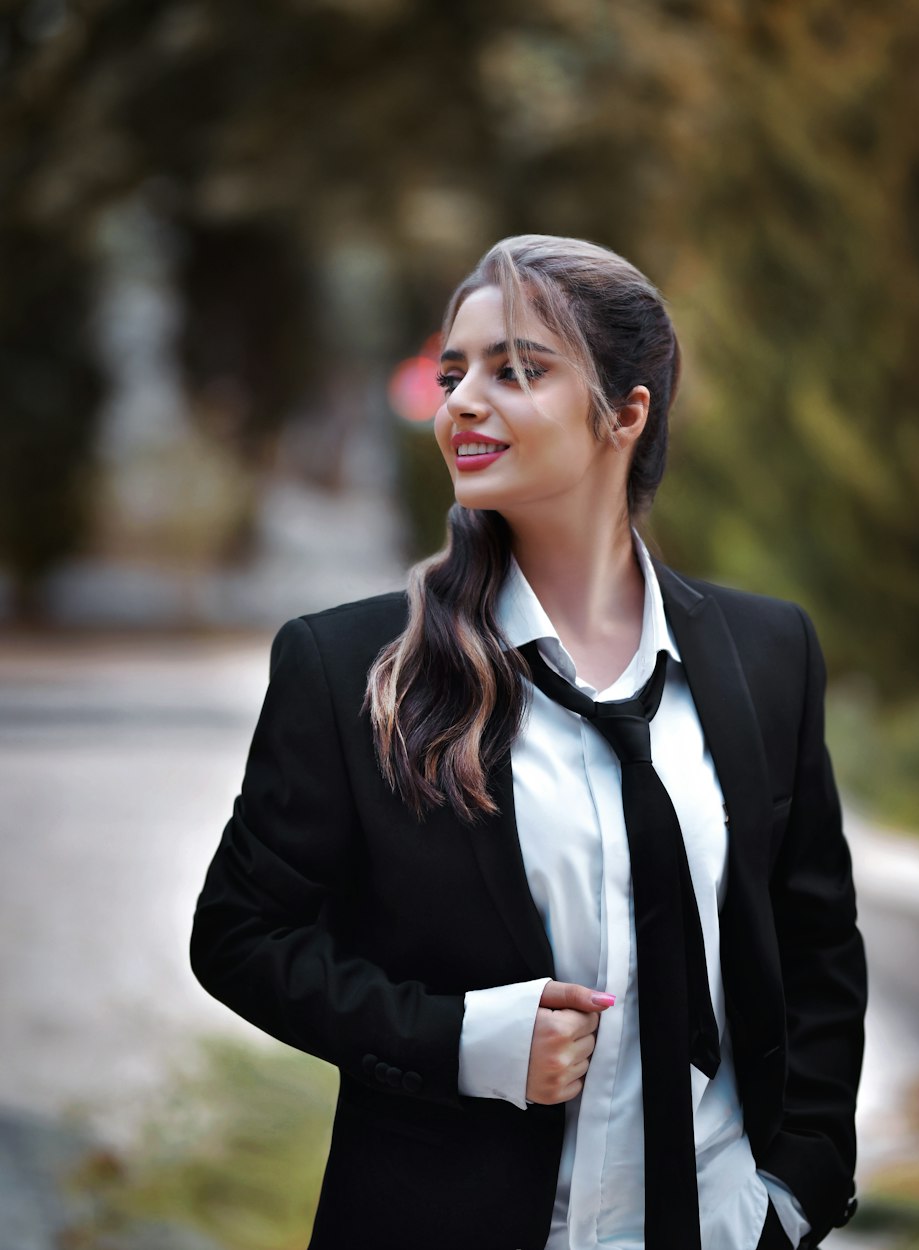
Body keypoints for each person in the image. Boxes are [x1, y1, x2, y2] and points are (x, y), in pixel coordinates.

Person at [190, 234, 866, 1250]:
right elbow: (240, 937)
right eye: (455, 371)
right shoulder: (347, 668)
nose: (461, 400)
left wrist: (798, 1187)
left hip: (722, 1223)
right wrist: (460, 1040)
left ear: (626, 413)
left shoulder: (767, 653)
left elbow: (815, 943)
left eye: (518, 369)